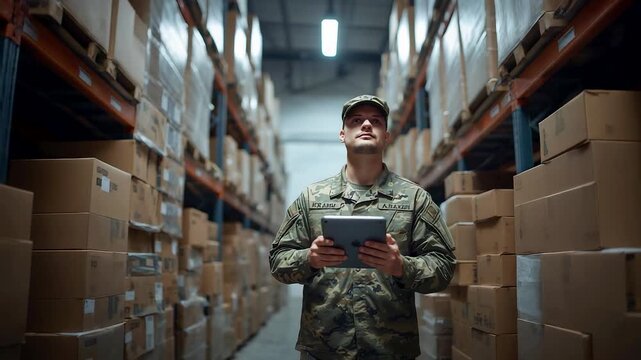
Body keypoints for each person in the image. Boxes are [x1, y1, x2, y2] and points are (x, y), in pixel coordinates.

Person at [269, 94, 456, 359]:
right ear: (343, 134)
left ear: (386, 136)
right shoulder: (312, 198)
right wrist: (308, 258)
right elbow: (277, 261)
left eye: (376, 121)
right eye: (357, 121)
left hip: (390, 349)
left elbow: (445, 266)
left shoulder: (415, 199)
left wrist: (402, 266)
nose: (366, 125)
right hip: (324, 349)